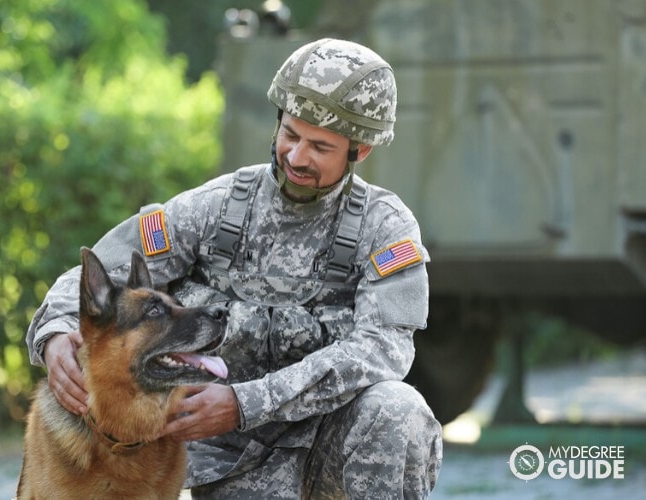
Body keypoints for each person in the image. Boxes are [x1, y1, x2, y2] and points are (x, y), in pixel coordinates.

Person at [26, 38, 442, 498]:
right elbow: (99, 270)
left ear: (359, 151)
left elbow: (383, 350)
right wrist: (54, 335)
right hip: (229, 457)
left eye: (320, 147)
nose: (297, 157)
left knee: (398, 410)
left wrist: (246, 402)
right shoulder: (216, 209)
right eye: (290, 134)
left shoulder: (385, 227)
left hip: (329, 440)